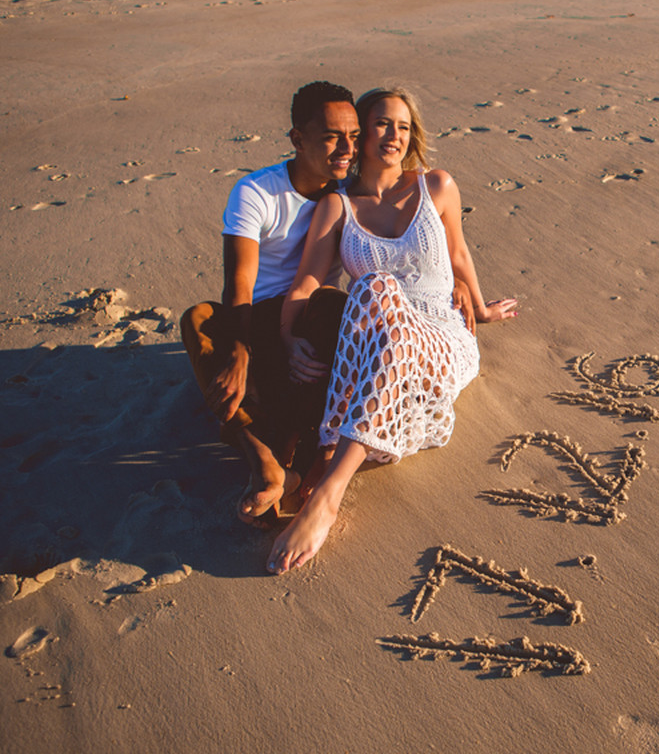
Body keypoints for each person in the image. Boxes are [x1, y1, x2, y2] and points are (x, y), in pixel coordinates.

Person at [266, 87, 518, 574]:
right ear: (361, 134)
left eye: (403, 126)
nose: (394, 135)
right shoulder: (338, 207)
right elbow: (306, 284)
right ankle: (324, 456)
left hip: (441, 338)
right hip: (379, 343)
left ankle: (330, 487)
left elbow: (459, 254)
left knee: (376, 285)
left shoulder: (436, 187)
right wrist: (287, 336)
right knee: (373, 289)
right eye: (382, 124)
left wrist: (480, 308)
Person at [180, 81, 359, 526]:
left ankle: (295, 453)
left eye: (354, 136)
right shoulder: (256, 192)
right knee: (197, 318)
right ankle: (262, 456)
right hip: (256, 319)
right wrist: (240, 350)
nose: (346, 148)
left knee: (336, 305)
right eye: (331, 136)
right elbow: (238, 283)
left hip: (310, 318)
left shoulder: (355, 190)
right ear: (298, 139)